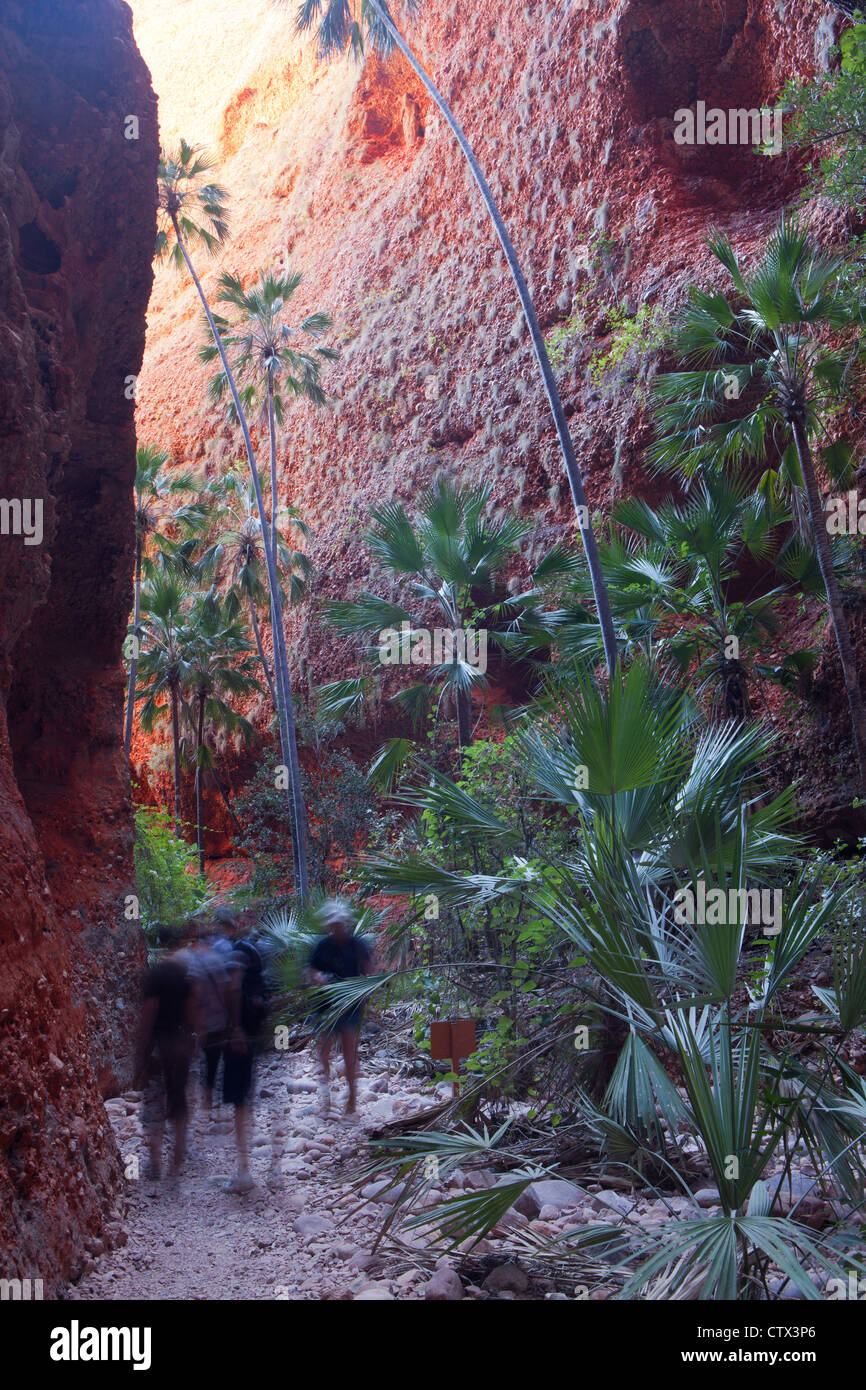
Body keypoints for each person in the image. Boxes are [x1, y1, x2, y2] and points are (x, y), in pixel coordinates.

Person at [135, 947, 196, 1180]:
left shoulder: (155, 975)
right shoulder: (186, 977)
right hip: (179, 1046)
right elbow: (192, 1011)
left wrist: (142, 1048)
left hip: (159, 1047)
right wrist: (192, 1038)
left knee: (154, 1104)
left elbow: (149, 1012)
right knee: (178, 1100)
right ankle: (177, 1162)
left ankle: (154, 1161)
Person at [308, 899, 373, 1116]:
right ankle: (325, 1097)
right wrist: (318, 978)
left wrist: (367, 991)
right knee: (324, 1053)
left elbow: (369, 971)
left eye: (340, 923)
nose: (338, 927)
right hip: (325, 1005)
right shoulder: (322, 946)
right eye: (334, 924)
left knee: (349, 1052)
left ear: (346, 923)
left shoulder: (357, 945)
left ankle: (352, 1096)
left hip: (350, 1005)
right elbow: (310, 970)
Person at [221, 918, 269, 1193]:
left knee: (239, 1102)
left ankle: (243, 1171)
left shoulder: (238, 953)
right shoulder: (255, 954)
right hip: (253, 1035)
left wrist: (234, 1028)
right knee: (243, 1100)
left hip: (240, 1037)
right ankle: (244, 1166)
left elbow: (232, 987)